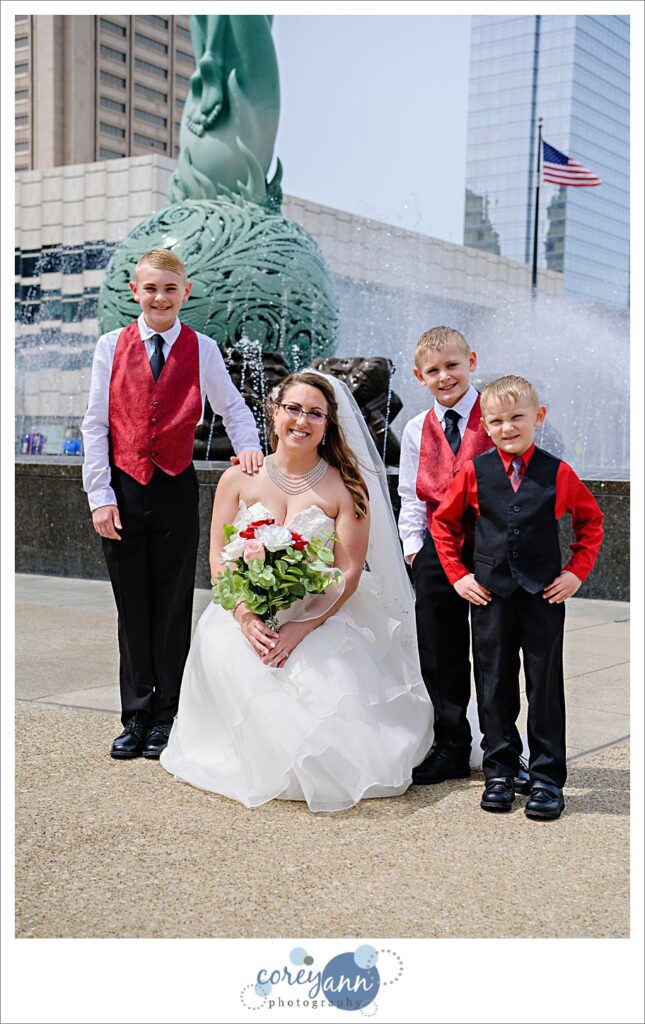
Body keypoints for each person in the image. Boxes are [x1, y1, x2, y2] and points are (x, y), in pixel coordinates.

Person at [160, 371, 434, 813]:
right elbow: (218, 558)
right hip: (244, 612)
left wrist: (303, 627)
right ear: (275, 413)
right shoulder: (239, 478)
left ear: (328, 424)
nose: (302, 420)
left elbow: (348, 572)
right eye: (293, 409)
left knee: (325, 686)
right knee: (227, 651)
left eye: (315, 413)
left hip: (319, 612)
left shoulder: (347, 487)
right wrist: (245, 616)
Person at [81, 248, 263, 761]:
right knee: (132, 606)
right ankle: (136, 715)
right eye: (150, 288)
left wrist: (250, 449)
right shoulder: (110, 346)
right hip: (122, 488)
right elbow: (95, 424)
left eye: (169, 289)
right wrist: (100, 496)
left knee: (173, 603)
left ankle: (167, 715)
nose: (160, 297)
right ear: (135, 292)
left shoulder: (202, 348)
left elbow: (232, 406)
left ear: (186, 292)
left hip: (175, 487)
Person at [431, 375, 603, 820]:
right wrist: (458, 576)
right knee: (493, 684)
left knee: (544, 686)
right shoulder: (474, 472)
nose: (507, 428)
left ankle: (547, 779)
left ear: (538, 417)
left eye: (517, 417)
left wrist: (575, 573)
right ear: (485, 425)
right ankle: (501, 772)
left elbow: (592, 523)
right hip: (490, 596)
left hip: (544, 596)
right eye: (496, 421)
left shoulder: (558, 472)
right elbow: (443, 524)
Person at [398, 326, 506, 785]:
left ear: (472, 362)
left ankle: (501, 750)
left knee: (494, 650)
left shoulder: (497, 416)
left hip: (491, 551)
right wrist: (413, 549)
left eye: (453, 366)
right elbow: (410, 494)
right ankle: (451, 746)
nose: (444, 377)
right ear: (419, 377)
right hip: (435, 553)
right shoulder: (414, 428)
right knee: (439, 651)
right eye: (433, 370)